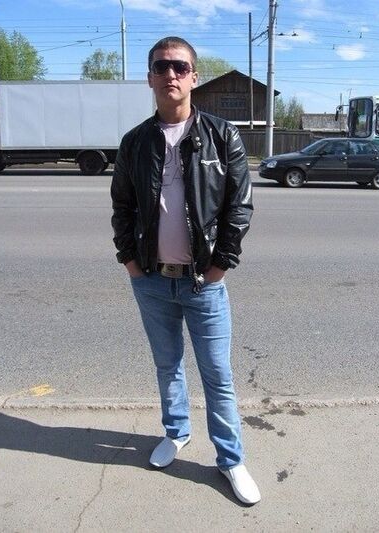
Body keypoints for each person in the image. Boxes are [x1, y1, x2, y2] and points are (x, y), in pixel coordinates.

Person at [111, 36, 260, 505]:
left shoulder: (222, 135)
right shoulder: (134, 142)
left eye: (179, 66)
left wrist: (220, 266)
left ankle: (230, 459)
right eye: (161, 67)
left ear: (194, 76)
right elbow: (122, 208)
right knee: (167, 365)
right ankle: (176, 432)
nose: (170, 74)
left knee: (217, 375)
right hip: (152, 281)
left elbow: (239, 207)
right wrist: (131, 264)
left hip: (203, 283)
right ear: (149, 78)